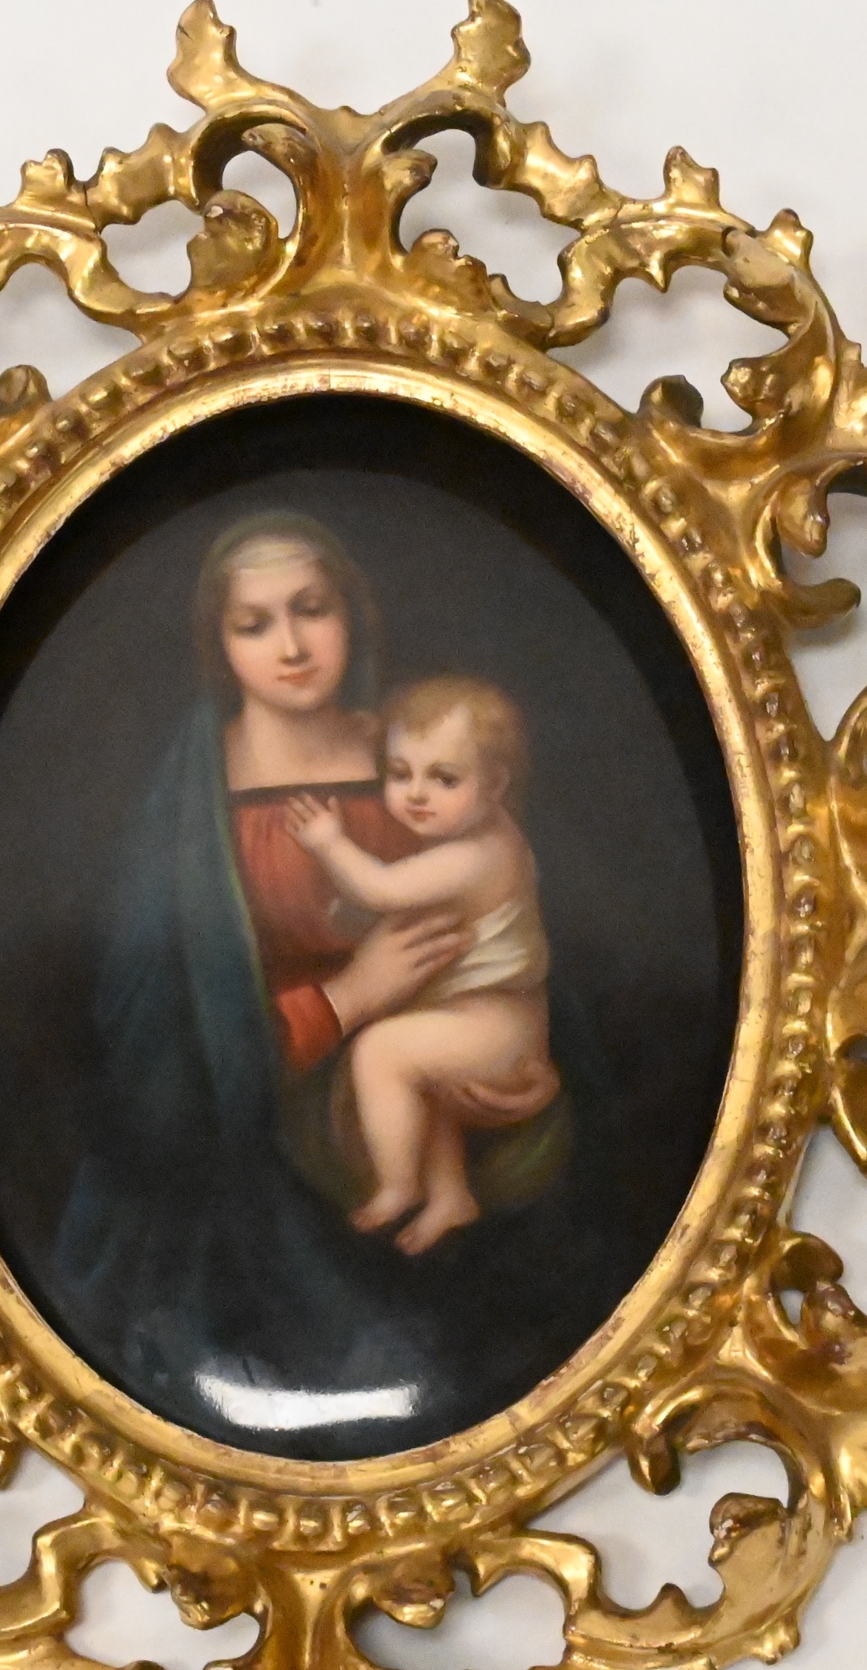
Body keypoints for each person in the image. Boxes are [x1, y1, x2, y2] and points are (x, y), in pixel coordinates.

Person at [44, 510, 612, 1458]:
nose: (292, 647)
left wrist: (536, 1084)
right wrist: (351, 998)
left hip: (441, 1128)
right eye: (254, 623)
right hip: (253, 1183)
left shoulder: (419, 762)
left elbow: (517, 944)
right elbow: (158, 1055)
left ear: (352, 615)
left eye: (312, 610)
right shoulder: (190, 801)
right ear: (219, 644)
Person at [286, 676, 560, 1255]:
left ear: (495, 786)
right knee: (422, 1092)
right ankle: (450, 1195)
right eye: (400, 773)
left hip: (498, 1025)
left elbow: (383, 889)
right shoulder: (473, 837)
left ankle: (397, 1185)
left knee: (381, 1051)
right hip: (487, 1017)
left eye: (444, 778)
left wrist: (329, 841)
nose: (416, 794)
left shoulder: (477, 855)